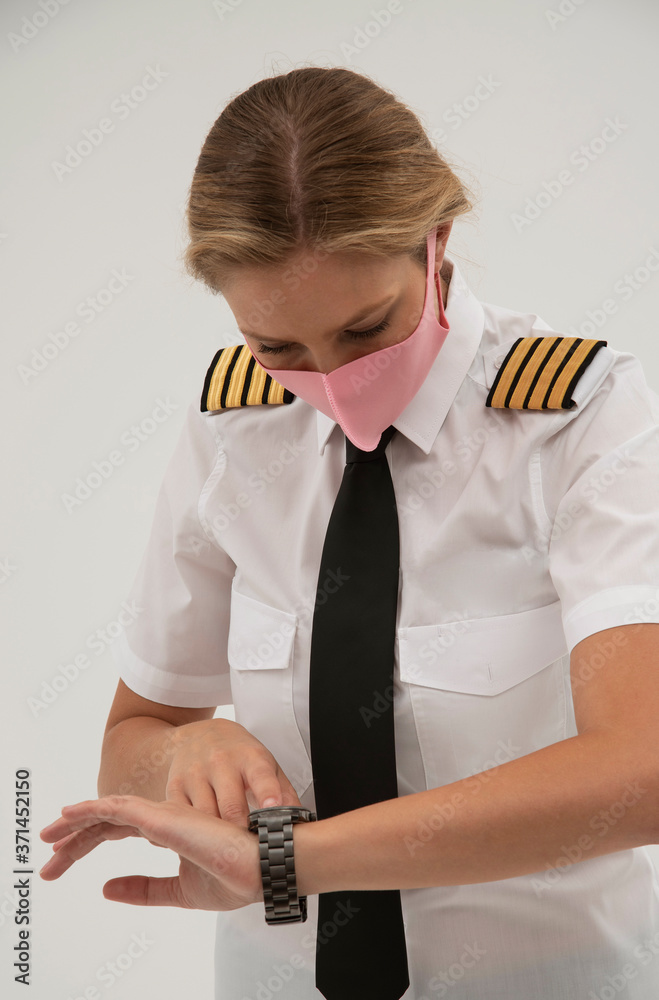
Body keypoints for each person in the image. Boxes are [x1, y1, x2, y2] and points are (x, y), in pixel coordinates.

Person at [39, 66, 659, 999]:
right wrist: (185, 751)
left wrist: (293, 861)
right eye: (278, 348)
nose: (332, 380)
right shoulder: (231, 430)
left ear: (434, 244)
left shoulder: (582, 421)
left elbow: (641, 769)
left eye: (368, 329)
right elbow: (139, 729)